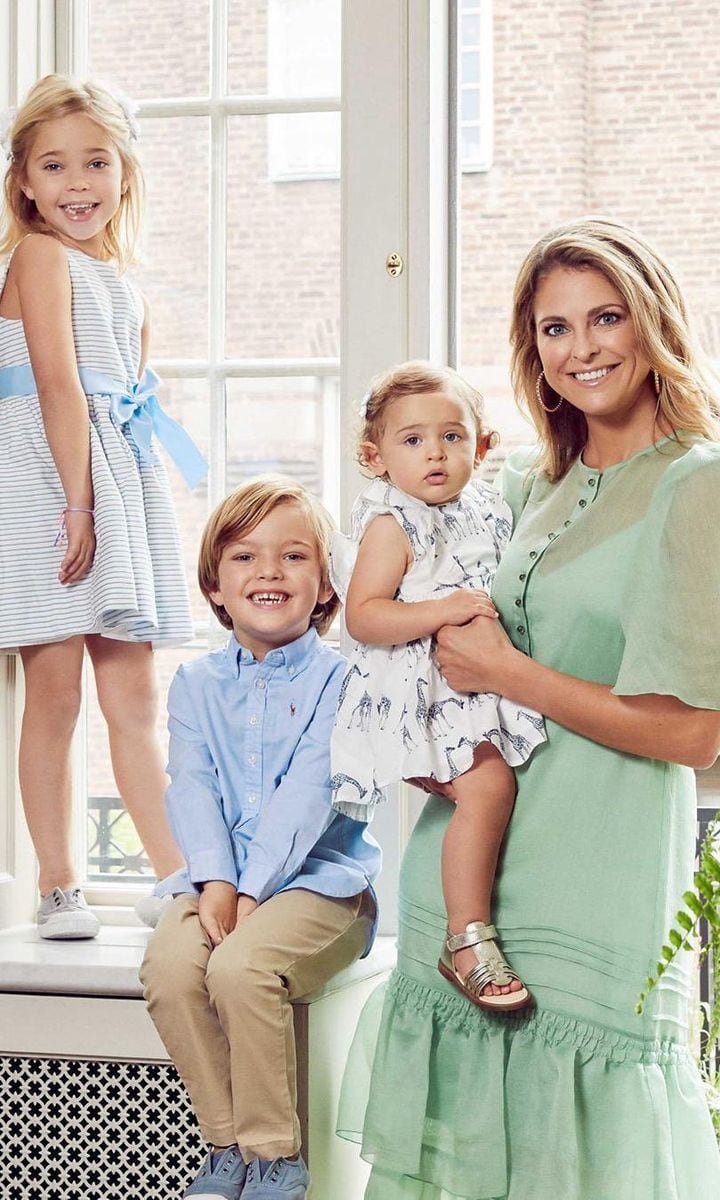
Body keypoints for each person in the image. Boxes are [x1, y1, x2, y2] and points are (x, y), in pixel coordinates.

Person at [337, 218, 720, 1199]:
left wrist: (509, 675)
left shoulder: (697, 484)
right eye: (554, 328)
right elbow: (401, 624)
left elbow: (697, 734)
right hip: (462, 885)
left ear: (652, 322)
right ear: (533, 350)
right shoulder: (518, 482)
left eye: (605, 318)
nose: (582, 348)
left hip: (603, 878)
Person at [0, 75, 207, 938]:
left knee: (135, 701)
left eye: (96, 162)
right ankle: (57, 884)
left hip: (111, 485)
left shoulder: (120, 280)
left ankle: (176, 877)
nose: (78, 183)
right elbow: (56, 386)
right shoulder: (39, 257)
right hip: (54, 489)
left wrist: (117, 503)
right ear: (25, 183)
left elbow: (123, 396)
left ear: (125, 173)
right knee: (54, 697)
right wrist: (78, 509)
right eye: (56, 166)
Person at [140, 475, 380, 1200]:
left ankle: (278, 1158)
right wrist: (216, 880)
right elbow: (192, 786)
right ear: (216, 585)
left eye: (294, 556)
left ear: (327, 582)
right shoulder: (194, 684)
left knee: (241, 968)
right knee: (172, 967)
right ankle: (228, 1147)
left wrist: (249, 890)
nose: (269, 571)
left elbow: (309, 794)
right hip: (217, 879)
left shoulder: (345, 681)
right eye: (245, 557)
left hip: (321, 883)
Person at [330, 362, 544, 1010]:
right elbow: (364, 615)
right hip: (417, 687)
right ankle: (466, 937)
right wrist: (443, 610)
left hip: (474, 680)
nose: (435, 454)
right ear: (376, 456)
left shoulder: (484, 504)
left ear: (481, 447)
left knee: (508, 784)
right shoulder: (393, 522)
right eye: (414, 440)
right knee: (489, 785)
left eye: (452, 437)